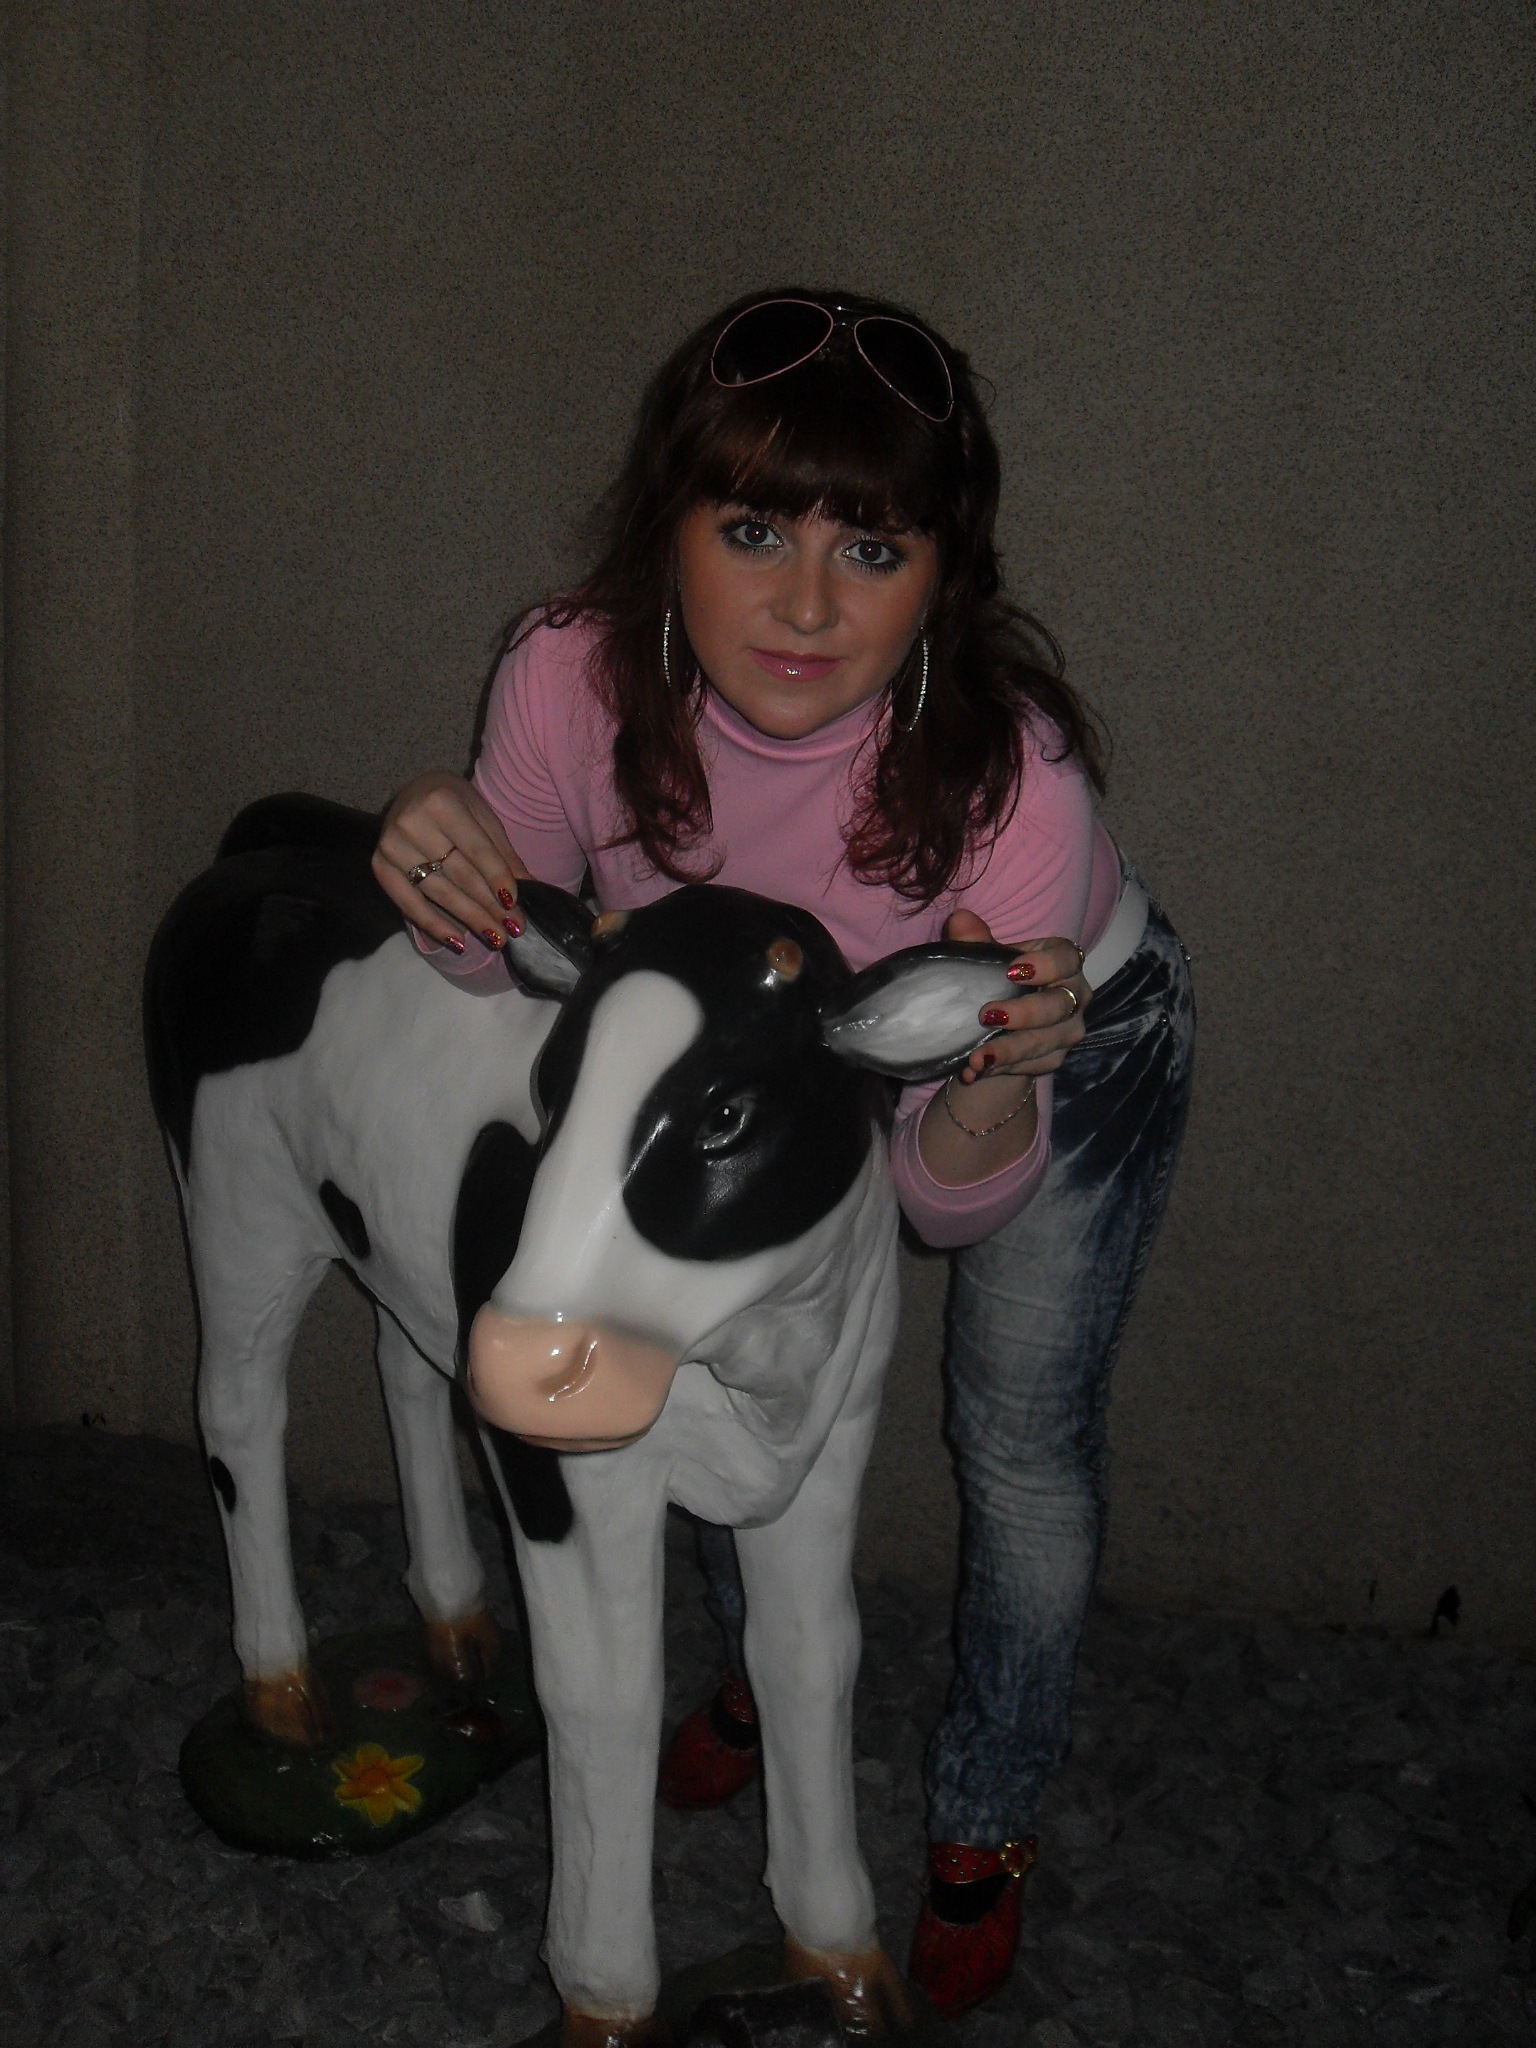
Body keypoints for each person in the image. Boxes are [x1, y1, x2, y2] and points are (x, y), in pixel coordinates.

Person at [373, 288, 1194, 2020]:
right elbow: (521, 973)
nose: (807, 606)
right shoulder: (566, 675)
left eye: (871, 551)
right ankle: (760, 1672)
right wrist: (445, 870)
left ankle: (983, 1814)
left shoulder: (1014, 794)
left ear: (942, 579)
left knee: (1018, 1434)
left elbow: (941, 1198)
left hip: (1047, 1042)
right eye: (753, 530)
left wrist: (997, 1075)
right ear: (665, 522)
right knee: (710, 1337)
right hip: (762, 1074)